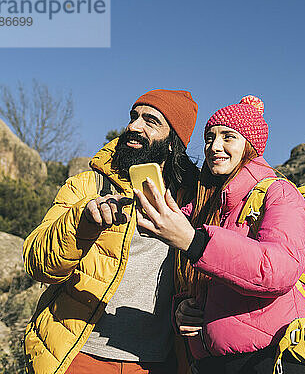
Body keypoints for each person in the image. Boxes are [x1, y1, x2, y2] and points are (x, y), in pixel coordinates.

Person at [133, 96, 305, 374]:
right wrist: (182, 310)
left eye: (228, 137)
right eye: (209, 138)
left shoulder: (280, 193)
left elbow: (278, 270)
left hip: (274, 359)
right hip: (214, 362)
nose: (214, 147)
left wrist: (195, 242)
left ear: (249, 146)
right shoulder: (205, 206)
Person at [23, 89, 199, 374]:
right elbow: (37, 263)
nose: (133, 127)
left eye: (150, 121)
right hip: (79, 355)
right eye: (133, 117)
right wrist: (83, 221)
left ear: (172, 142)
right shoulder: (89, 184)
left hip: (155, 362)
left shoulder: (192, 201)